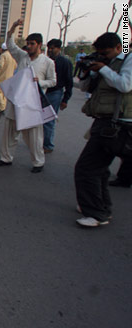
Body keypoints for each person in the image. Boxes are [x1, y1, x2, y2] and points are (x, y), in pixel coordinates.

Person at [74, 32, 132, 227]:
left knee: (87, 168)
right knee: (99, 169)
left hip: (117, 124)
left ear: (118, 47)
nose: (103, 57)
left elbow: (125, 85)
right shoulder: (106, 65)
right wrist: (88, 71)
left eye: (106, 53)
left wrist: (104, 69)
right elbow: (85, 88)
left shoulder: (128, 60)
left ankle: (96, 213)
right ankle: (100, 208)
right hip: (104, 122)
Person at [0, 19, 56, 173]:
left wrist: (40, 82)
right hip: (16, 100)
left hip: (33, 104)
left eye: (32, 43)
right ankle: (5, 158)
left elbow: (53, 81)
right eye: (28, 43)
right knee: (10, 131)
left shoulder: (47, 62)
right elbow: (10, 44)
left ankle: (38, 162)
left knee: (34, 136)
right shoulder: (22, 56)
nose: (29, 46)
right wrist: (13, 26)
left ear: (39, 45)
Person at [44, 39, 74, 153]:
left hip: (55, 93)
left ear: (59, 49)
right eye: (49, 48)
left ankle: (48, 145)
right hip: (43, 92)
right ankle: (39, 141)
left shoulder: (64, 62)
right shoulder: (45, 61)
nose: (50, 50)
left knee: (49, 120)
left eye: (53, 48)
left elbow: (69, 82)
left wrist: (65, 99)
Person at [0, 43, 17, 112]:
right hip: (10, 76)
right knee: (5, 92)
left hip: (2, 76)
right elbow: (15, 66)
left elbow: (0, 66)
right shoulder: (13, 56)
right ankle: (4, 105)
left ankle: (1, 106)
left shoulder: (3, 55)